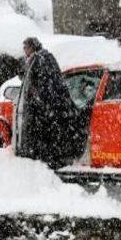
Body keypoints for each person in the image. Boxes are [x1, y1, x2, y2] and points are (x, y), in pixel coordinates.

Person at [17, 36, 77, 167]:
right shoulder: (43, 57)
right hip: (51, 106)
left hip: (48, 107)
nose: (24, 50)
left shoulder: (40, 59)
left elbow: (45, 82)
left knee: (46, 136)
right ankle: (49, 161)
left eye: (25, 47)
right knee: (50, 136)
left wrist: (37, 96)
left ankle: (48, 164)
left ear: (32, 47)